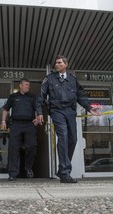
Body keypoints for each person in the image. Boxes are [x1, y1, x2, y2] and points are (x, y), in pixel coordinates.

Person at [36, 55, 100, 183]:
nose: (57, 65)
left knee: (73, 139)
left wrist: (88, 108)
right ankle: (65, 172)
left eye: (59, 63)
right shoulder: (49, 79)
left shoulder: (72, 79)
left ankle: (62, 169)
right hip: (56, 111)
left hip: (70, 112)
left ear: (66, 65)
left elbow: (80, 95)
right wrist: (39, 112)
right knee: (63, 136)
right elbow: (41, 96)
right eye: (56, 63)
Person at [1, 78, 38, 181]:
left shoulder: (32, 97)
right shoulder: (13, 97)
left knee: (32, 146)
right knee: (14, 148)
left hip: (29, 124)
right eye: (26, 84)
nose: (28, 86)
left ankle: (28, 167)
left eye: (29, 85)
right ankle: (13, 173)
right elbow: (5, 110)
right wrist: (3, 121)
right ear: (20, 86)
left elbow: (38, 108)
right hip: (16, 124)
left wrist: (37, 116)